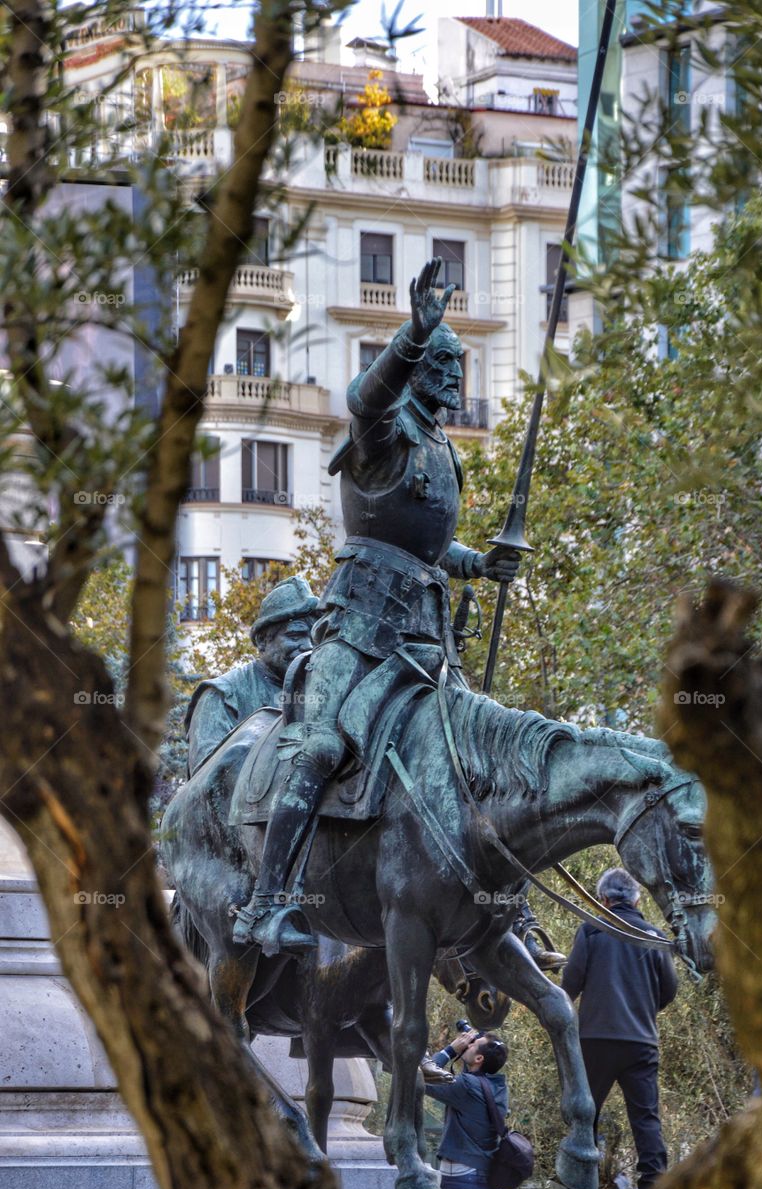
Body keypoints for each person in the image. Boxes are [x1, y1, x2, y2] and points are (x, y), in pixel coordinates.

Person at [231, 258, 520, 956]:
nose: (456, 376)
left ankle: (504, 911)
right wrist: (414, 336)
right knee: (322, 744)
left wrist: (478, 563)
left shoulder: (444, 449)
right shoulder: (384, 436)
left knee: (475, 757)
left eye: (459, 364)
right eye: (444, 363)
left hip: (424, 636)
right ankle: (267, 906)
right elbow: (363, 399)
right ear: (420, 368)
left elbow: (423, 544)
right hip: (358, 629)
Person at [561, 866, 678, 1189]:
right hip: (641, 1041)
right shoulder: (654, 937)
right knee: (645, 1117)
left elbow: (570, 985)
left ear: (603, 899)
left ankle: (580, 1185)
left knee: (586, 1112)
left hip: (594, 1039)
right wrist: (641, 1008)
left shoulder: (591, 931)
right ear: (638, 900)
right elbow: (669, 991)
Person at [185, 576, 319, 776]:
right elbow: (207, 784)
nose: (308, 646)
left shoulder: (322, 691)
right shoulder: (221, 696)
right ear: (262, 641)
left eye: (314, 637)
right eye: (295, 636)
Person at [424, 1028, 509, 1189]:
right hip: (483, 1175)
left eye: (473, 1044)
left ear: (479, 1059)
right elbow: (472, 1074)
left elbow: (421, 1075)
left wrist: (451, 1050)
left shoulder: (467, 1086)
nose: (467, 1044)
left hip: (462, 1179)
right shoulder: (498, 1087)